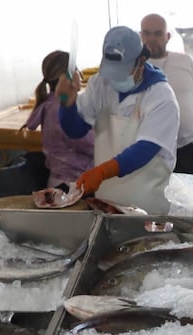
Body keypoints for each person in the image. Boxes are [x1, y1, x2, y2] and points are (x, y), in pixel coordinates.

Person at [56, 26, 179, 215]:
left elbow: (145, 149)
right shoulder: (100, 83)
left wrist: (102, 172)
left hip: (148, 209)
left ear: (142, 61)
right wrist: (66, 105)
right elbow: (76, 130)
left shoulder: (161, 96)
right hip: (106, 204)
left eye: (123, 72)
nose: (115, 80)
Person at [140, 13, 193, 177]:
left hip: (187, 148)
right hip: (150, 151)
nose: (152, 39)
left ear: (167, 36)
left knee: (190, 199)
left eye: (158, 33)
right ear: (140, 35)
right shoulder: (134, 67)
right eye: (147, 33)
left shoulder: (185, 61)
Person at [23, 51, 96, 188]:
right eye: (77, 71)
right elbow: (90, 146)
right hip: (72, 184)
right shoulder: (62, 109)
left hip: (60, 181)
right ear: (70, 76)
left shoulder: (48, 105)